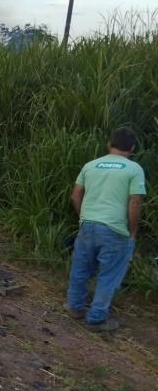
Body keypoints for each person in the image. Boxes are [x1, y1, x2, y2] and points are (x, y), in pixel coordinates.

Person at [65, 127, 145, 332]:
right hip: (114, 229)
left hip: (87, 224)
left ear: (109, 144)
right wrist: (132, 231)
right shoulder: (134, 169)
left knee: (80, 268)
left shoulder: (91, 165)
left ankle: (74, 307)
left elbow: (75, 196)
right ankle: (96, 318)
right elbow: (135, 202)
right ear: (133, 148)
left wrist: (85, 216)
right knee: (109, 274)